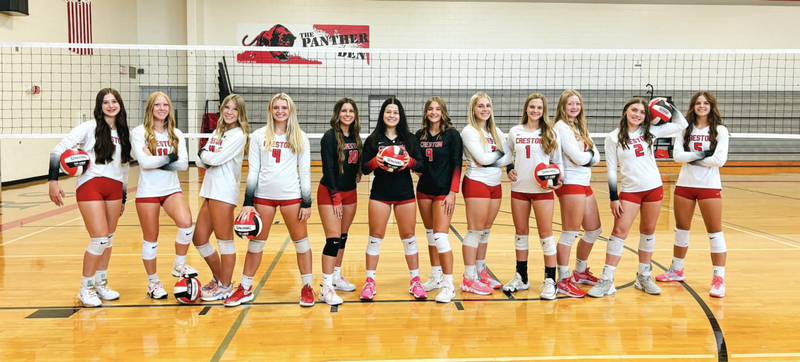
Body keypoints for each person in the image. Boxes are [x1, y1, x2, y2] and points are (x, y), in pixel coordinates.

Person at [588, 98, 688, 297]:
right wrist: (614, 197)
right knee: (619, 231)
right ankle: (607, 279)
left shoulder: (650, 131)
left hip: (653, 188)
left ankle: (644, 276)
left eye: (642, 112)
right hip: (630, 191)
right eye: (634, 110)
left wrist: (666, 105)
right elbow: (611, 171)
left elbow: (682, 125)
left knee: (648, 231)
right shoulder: (613, 138)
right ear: (626, 111)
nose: (637, 115)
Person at [227, 93, 315, 307]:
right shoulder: (258, 136)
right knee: (256, 245)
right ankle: (246, 287)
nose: (280, 111)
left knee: (301, 244)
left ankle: (307, 287)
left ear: (290, 110)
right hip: (263, 197)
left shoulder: (300, 137)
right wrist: (248, 202)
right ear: (270, 110)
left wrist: (307, 201)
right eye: (276, 107)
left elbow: (305, 171)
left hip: (292, 197)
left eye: (284, 108)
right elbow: (253, 170)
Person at [48, 88, 131, 307]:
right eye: (106, 102)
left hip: (114, 189)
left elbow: (124, 167)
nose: (111, 105)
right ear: (99, 106)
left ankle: (101, 284)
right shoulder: (89, 127)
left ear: (120, 104)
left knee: (109, 238)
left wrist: (123, 196)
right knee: (100, 239)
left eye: (114, 101)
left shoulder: (123, 132)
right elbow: (57, 151)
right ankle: (86, 288)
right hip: (91, 185)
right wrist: (53, 181)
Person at [655, 91, 730, 298]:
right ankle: (677, 269)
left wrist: (692, 158)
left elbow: (719, 161)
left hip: (709, 186)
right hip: (685, 185)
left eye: (706, 103)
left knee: (715, 232)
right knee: (681, 230)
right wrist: (704, 155)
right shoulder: (685, 129)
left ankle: (719, 278)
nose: (702, 106)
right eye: (698, 103)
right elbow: (677, 156)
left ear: (711, 106)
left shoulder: (720, 130)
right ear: (693, 106)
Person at [359, 97, 427, 302]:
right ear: (383, 114)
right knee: (375, 237)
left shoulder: (409, 139)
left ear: (400, 116)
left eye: (395, 112)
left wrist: (409, 162)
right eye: (388, 112)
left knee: (409, 236)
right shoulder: (373, 139)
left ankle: (415, 280)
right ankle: (370, 281)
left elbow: (422, 166)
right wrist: (375, 162)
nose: (391, 115)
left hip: (404, 193)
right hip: (380, 193)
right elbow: (363, 168)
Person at [131, 91, 194, 300]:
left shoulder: (176, 133)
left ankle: (179, 265)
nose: (161, 108)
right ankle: (153, 283)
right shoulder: (139, 132)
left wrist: (158, 158)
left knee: (186, 224)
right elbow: (144, 164)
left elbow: (183, 164)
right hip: (148, 191)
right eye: (157, 105)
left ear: (170, 108)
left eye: (165, 105)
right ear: (150, 108)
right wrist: (170, 157)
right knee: (151, 238)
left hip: (171, 189)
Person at [189, 94, 250, 303]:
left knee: (225, 242)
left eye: (234, 109)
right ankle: (220, 277)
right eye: (227, 108)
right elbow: (204, 160)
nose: (230, 112)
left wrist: (204, 155)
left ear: (240, 113)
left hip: (224, 193)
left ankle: (225, 286)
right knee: (199, 238)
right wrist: (206, 156)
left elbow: (212, 158)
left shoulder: (238, 135)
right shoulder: (218, 131)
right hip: (210, 189)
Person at [503, 93, 563, 300]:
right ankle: (522, 277)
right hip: (519, 189)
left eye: (539, 108)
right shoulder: (514, 131)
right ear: (526, 109)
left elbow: (558, 162)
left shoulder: (550, 133)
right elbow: (507, 154)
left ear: (543, 111)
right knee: (521, 233)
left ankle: (550, 280)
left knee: (546, 235)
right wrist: (509, 168)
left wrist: (557, 178)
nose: (535, 111)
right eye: (532, 107)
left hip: (542, 191)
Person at [460, 92, 512, 295]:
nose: (484, 109)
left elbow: (507, 158)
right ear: (473, 109)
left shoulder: (495, 131)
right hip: (477, 183)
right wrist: (498, 155)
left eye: (487, 106)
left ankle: (481, 271)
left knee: (486, 230)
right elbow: (481, 158)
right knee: (475, 230)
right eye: (480, 106)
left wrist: (494, 158)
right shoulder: (469, 131)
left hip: (495, 184)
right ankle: (468, 277)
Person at [552, 89, 602, 298]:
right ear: (562, 107)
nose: (574, 107)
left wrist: (587, 155)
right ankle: (563, 280)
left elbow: (597, 156)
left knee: (594, 230)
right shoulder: (561, 127)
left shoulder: (579, 127)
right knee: (570, 232)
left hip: (584, 182)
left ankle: (580, 271)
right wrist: (587, 155)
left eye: (577, 104)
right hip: (570, 183)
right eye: (570, 104)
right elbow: (578, 157)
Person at [415, 96, 462, 303]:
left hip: (444, 192)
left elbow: (457, 165)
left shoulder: (452, 135)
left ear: (443, 112)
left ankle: (449, 284)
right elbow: (417, 163)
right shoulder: (420, 135)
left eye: (437, 109)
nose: (434, 112)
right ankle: (435, 277)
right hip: (424, 190)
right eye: (430, 109)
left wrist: (453, 192)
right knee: (430, 235)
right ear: (426, 113)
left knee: (441, 236)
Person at [317, 98, 362, 306]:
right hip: (330, 192)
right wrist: (335, 196)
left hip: (350, 193)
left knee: (342, 237)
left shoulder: (355, 136)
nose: (347, 114)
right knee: (333, 240)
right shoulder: (329, 137)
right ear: (338, 113)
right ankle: (326, 287)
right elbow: (328, 168)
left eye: (351, 111)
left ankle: (336, 276)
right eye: (344, 111)